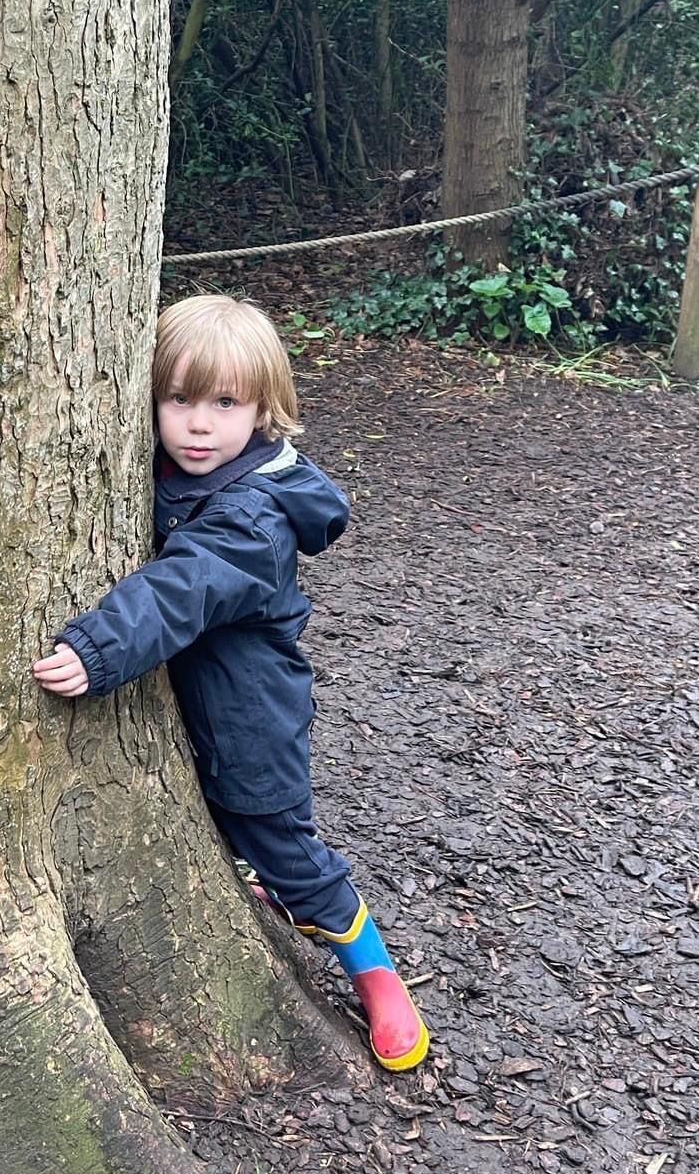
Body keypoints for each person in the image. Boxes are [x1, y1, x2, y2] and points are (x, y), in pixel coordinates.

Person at [32, 293, 428, 1073]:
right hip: (195, 705)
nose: (199, 425)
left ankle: (373, 969)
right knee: (225, 828)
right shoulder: (181, 475)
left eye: (224, 403)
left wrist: (99, 645)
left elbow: (188, 585)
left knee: (279, 839)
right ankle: (279, 896)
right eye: (178, 400)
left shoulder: (255, 513)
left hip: (251, 715)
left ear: (264, 411)